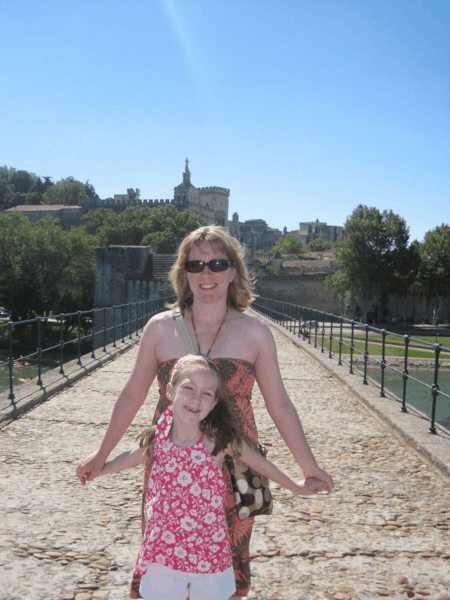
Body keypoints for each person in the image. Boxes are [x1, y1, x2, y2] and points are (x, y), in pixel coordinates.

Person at [77, 225, 333, 599]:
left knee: (225, 568)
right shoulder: (159, 329)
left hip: (235, 466)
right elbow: (132, 395)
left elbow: (280, 404)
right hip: (172, 466)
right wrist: (101, 455)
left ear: (233, 270)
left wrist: (307, 468)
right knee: (166, 554)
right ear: (184, 274)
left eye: (217, 263)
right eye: (196, 266)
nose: (207, 274)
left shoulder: (256, 332)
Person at [85, 355, 328, 600]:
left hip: (208, 553)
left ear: (214, 403)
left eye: (206, 394)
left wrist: (297, 486)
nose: (195, 399)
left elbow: (262, 465)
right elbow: (130, 457)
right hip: (162, 552)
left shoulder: (218, 441)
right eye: (188, 388)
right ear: (170, 391)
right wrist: (100, 468)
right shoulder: (159, 437)